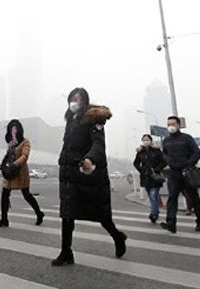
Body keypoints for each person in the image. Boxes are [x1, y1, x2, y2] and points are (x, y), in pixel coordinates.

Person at [52, 87, 127, 266]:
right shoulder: (70, 120)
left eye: (78, 99)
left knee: (101, 214)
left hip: (89, 173)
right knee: (67, 212)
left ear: (85, 101)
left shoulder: (94, 119)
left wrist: (90, 158)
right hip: (69, 173)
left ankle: (118, 237)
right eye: (72, 98)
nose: (74, 102)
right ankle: (66, 251)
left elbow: (98, 144)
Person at [0, 119, 44, 227]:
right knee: (4, 195)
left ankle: (39, 213)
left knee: (27, 195)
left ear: (20, 130)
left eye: (15, 128)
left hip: (20, 173)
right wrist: (4, 166)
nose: (13, 130)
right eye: (11, 128)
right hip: (9, 173)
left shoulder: (25, 142)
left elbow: (24, 156)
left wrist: (15, 164)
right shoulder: (11, 144)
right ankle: (4, 219)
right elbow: (8, 157)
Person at [160, 116, 200, 233]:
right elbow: (164, 153)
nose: (171, 126)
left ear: (178, 125)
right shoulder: (166, 140)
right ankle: (171, 223)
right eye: (169, 124)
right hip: (173, 173)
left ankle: (199, 221)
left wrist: (189, 163)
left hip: (186, 172)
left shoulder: (186, 138)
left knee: (193, 197)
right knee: (172, 197)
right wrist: (168, 160)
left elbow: (197, 152)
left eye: (173, 124)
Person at [133, 134, 167, 223]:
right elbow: (136, 163)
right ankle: (156, 211)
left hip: (155, 177)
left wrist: (157, 169)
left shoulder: (157, 151)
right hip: (145, 177)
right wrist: (141, 170)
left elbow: (164, 162)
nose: (146, 141)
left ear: (151, 140)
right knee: (151, 196)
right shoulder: (140, 152)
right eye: (144, 140)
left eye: (147, 139)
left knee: (153, 196)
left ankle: (153, 214)